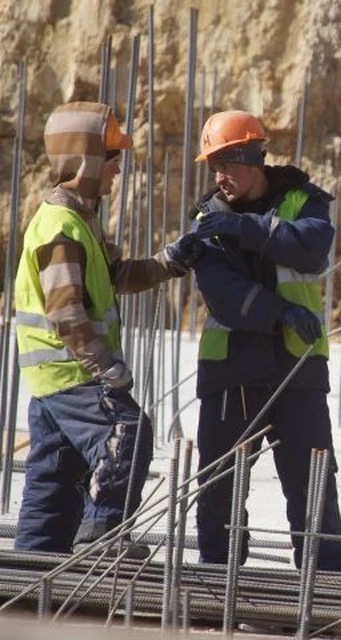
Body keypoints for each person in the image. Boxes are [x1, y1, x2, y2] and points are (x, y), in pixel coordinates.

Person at [14, 101, 203, 556]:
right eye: (113, 158)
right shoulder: (61, 227)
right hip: (73, 373)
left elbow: (117, 276)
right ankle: (101, 535)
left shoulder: (78, 221)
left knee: (56, 477)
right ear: (87, 159)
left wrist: (169, 262)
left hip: (52, 383)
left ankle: (30, 567)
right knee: (128, 432)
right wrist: (105, 368)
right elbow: (66, 311)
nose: (118, 170)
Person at [190, 110, 341, 572]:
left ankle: (325, 583)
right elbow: (222, 293)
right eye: (213, 167)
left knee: (312, 482)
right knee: (219, 485)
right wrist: (280, 311)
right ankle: (217, 578)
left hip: (297, 369)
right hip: (231, 369)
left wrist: (249, 229)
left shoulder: (303, 200)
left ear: (254, 158)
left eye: (227, 164)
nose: (219, 176)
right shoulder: (208, 217)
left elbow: (313, 247)